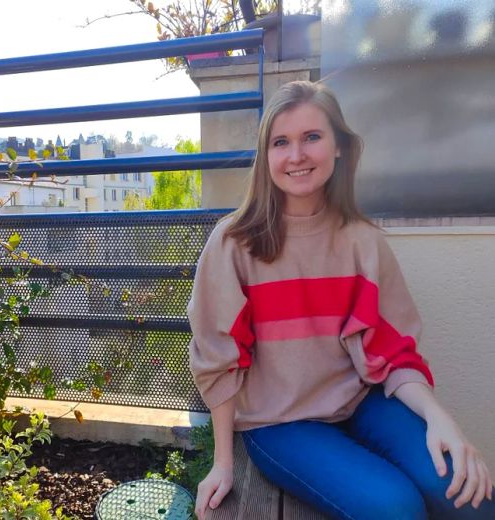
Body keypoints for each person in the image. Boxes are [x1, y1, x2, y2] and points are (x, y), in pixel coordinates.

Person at [188, 80, 494, 520]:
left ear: (338, 147)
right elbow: (218, 358)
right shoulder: (233, 243)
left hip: (361, 403)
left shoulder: (363, 242)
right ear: (266, 155)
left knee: (467, 494)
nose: (296, 155)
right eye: (281, 142)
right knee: (396, 508)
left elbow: (393, 352)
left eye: (312, 137)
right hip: (279, 424)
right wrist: (222, 462)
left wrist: (441, 418)